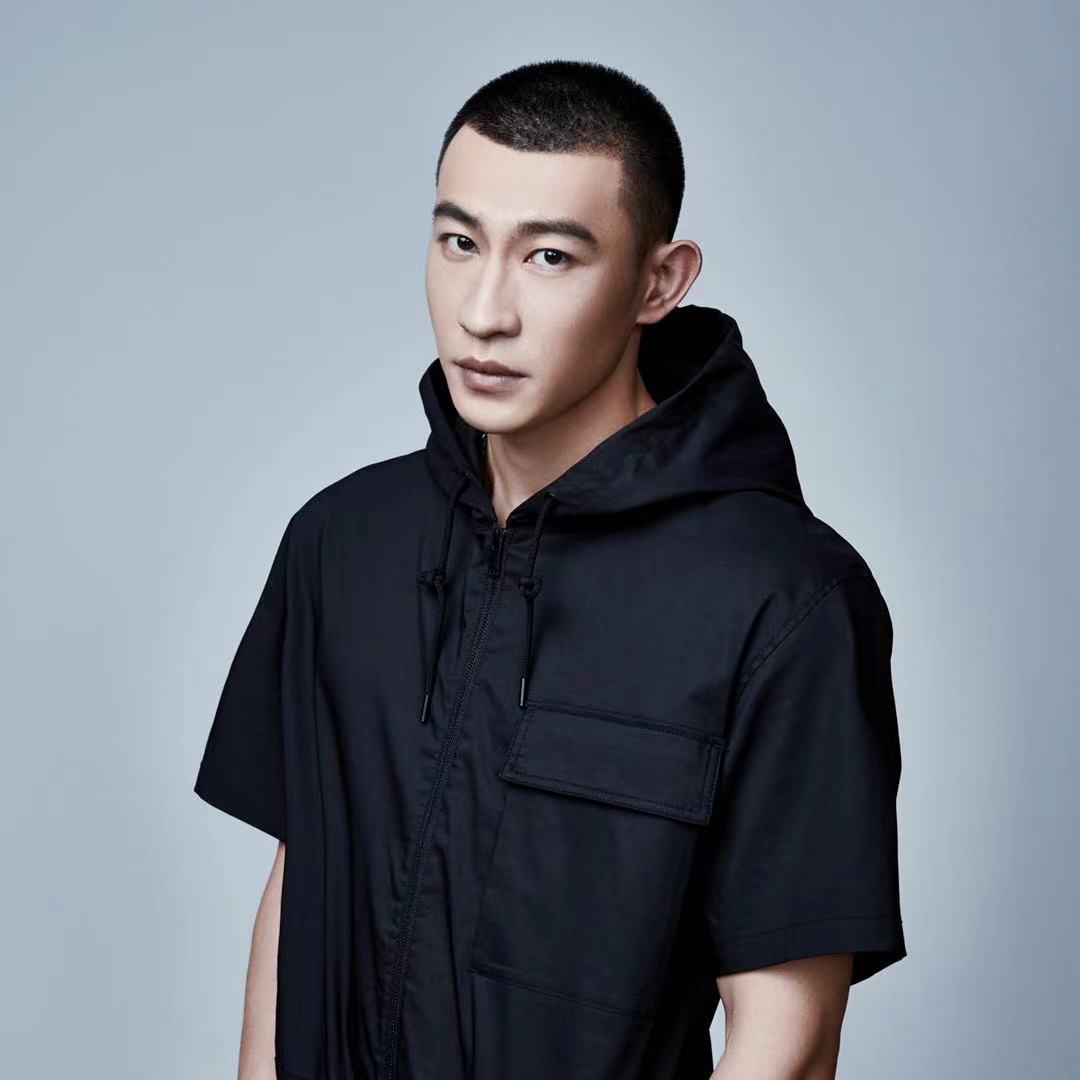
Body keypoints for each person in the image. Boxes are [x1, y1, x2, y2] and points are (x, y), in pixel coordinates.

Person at [194, 58, 907, 1080]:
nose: (484, 311)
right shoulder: (341, 541)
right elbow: (302, 876)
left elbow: (787, 1041)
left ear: (659, 282)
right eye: (459, 243)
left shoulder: (783, 599)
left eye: (550, 258)